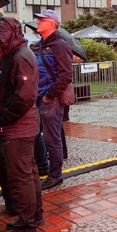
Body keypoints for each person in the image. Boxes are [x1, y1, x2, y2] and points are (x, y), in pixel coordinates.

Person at [0, 18, 42, 232]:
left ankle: (27, 227)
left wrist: (3, 118)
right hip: (21, 124)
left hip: (18, 126)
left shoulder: (20, 56)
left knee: (21, 177)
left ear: (8, 35)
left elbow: (23, 96)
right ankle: (33, 217)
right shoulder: (15, 53)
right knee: (28, 173)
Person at [34, 10, 74, 191]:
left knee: (52, 138)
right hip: (38, 96)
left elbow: (66, 75)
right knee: (39, 135)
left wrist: (49, 96)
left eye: (41, 20)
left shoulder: (59, 45)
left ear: (51, 23)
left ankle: (55, 175)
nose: (37, 22)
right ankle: (45, 167)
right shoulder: (40, 45)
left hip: (51, 99)